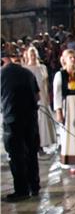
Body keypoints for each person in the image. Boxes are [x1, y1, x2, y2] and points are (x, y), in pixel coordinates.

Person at [2, 49, 41, 201]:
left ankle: (22, 190)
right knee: (31, 152)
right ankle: (35, 186)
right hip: (31, 119)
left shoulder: (1, 74)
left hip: (12, 120)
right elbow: (37, 96)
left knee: (16, 156)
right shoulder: (28, 73)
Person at [23, 45, 57, 151]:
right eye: (31, 55)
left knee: (44, 118)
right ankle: (36, 143)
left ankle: (44, 141)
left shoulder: (42, 67)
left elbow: (46, 83)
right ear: (28, 56)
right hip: (32, 96)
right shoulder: (26, 69)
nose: (33, 56)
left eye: (34, 55)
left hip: (43, 95)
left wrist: (47, 96)